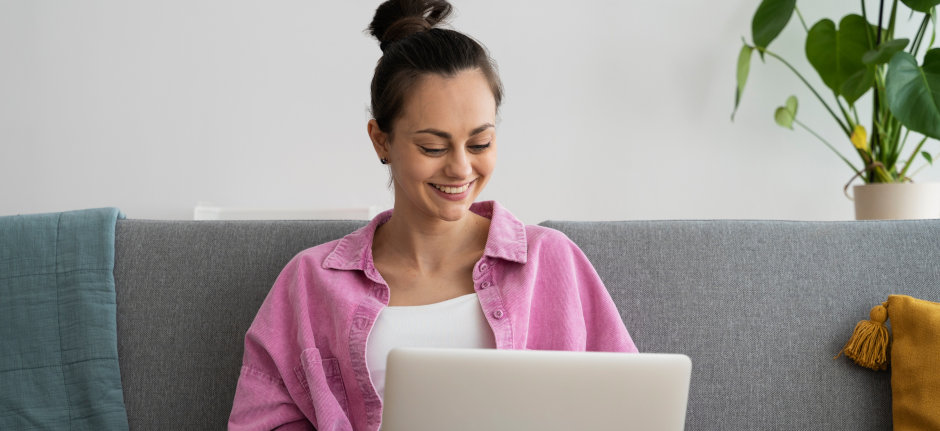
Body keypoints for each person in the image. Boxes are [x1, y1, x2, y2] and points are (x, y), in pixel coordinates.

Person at [228, 1, 637, 429]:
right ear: (381, 141)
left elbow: (630, 407)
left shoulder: (552, 262)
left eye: (479, 143)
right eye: (433, 147)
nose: (461, 168)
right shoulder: (311, 282)